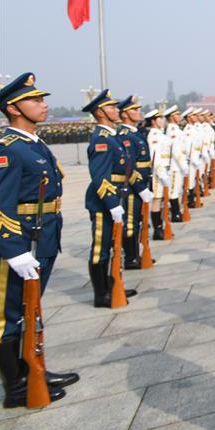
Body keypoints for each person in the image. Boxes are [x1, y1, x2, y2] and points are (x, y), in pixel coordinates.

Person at [0, 72, 80, 408]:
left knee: (29, 308)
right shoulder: (8, 149)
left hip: (43, 235)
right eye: (34, 100)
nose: (43, 105)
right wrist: (13, 249)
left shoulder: (33, 144)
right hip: (20, 241)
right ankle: (16, 387)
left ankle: (33, 369)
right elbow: (1, 203)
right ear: (13, 108)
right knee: (10, 315)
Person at [82, 90, 138, 307]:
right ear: (100, 112)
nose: (117, 110)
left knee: (113, 244)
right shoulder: (101, 140)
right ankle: (101, 293)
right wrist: (112, 204)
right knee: (101, 246)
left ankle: (111, 284)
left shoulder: (112, 137)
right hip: (103, 202)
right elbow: (100, 177)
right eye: (112, 107)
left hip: (116, 195)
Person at [116, 96, 154, 269]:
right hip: (132, 187)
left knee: (138, 220)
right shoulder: (125, 135)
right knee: (131, 222)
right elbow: (128, 166)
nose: (138, 112)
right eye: (134, 110)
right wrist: (140, 188)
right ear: (124, 114)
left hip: (142, 182)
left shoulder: (135, 133)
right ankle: (131, 258)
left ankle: (136, 254)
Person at [144, 108, 172, 240]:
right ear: (153, 121)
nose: (162, 120)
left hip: (164, 171)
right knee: (156, 200)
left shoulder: (160, 134)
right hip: (157, 173)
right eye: (159, 118)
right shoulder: (154, 136)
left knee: (160, 200)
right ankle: (157, 229)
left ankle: (160, 227)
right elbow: (155, 158)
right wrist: (162, 174)